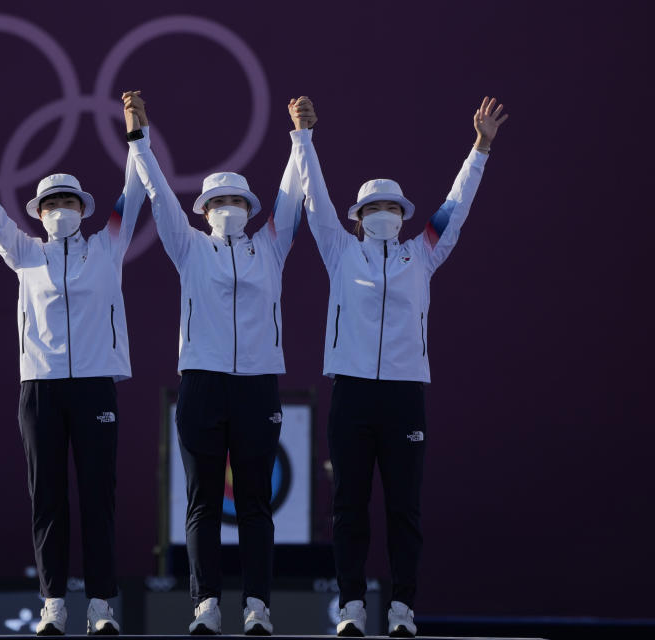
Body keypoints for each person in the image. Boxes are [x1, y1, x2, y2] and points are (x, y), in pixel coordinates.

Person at [288, 95, 508, 637]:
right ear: (358, 220)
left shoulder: (421, 253)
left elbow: (456, 205)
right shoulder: (340, 251)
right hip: (353, 393)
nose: (383, 217)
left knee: (405, 509)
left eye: (392, 210)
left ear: (403, 216)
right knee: (349, 507)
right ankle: (351, 608)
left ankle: (403, 609)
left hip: (405, 393)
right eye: (373, 211)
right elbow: (314, 200)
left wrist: (479, 148)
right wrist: (303, 138)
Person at [0, 95, 148, 636]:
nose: (59, 209)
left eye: (68, 201)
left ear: (84, 210)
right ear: (38, 213)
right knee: (48, 501)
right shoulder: (25, 253)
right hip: (39, 390)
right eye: (50, 203)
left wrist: (138, 138)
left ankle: (102, 607)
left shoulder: (107, 246)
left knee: (98, 501)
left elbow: (135, 194)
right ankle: (53, 606)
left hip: (94, 389)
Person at [123, 92, 307, 636]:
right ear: (202, 212)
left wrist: (302, 137)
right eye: (217, 200)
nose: (228, 206)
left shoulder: (271, 247)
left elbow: (294, 195)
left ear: (251, 209)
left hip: (256, 385)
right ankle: (205, 603)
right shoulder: (188, 247)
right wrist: (139, 140)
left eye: (237, 200)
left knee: (254, 503)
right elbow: (157, 194)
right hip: (201, 383)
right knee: (203, 502)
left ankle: (257, 607)